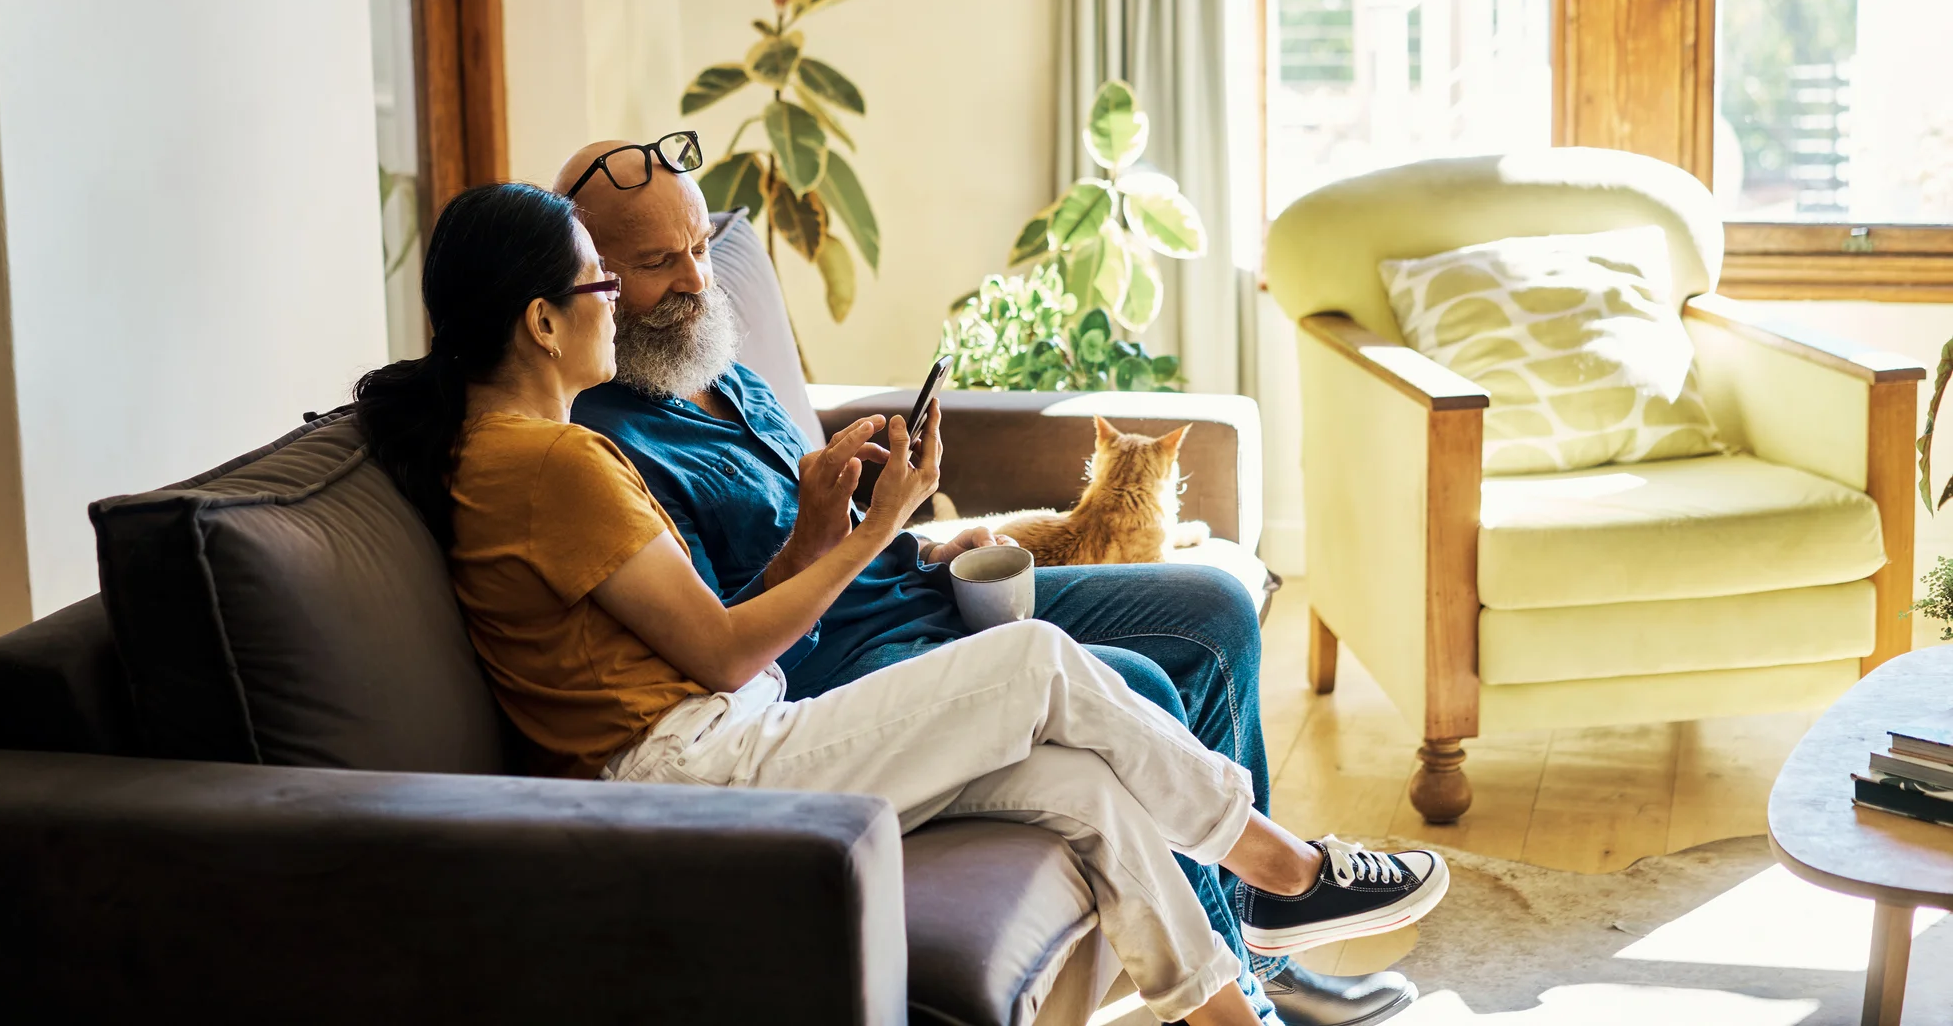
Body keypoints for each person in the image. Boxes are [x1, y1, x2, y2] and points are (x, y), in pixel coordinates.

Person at [352, 182, 1449, 1026]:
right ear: (543, 322)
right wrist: (882, 527)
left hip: (720, 734)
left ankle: (1220, 1008)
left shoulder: (516, 451)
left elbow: (699, 637)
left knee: (1080, 784)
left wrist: (827, 528)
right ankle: (1278, 867)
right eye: (604, 282)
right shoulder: (551, 463)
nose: (636, 297)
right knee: (1035, 662)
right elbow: (724, 655)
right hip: (686, 770)